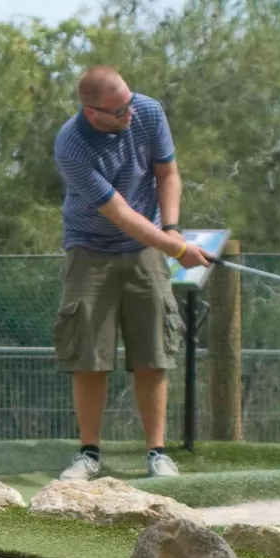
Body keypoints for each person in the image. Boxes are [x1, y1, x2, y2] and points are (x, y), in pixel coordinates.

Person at [51, 65, 211, 480]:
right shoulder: (71, 146)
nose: (131, 114)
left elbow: (167, 173)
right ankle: (89, 453)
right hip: (90, 249)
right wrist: (177, 248)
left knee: (153, 352)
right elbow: (121, 214)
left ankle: (157, 453)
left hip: (147, 248)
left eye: (130, 100)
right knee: (90, 356)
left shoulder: (148, 111)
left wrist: (172, 228)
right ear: (92, 112)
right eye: (120, 109)